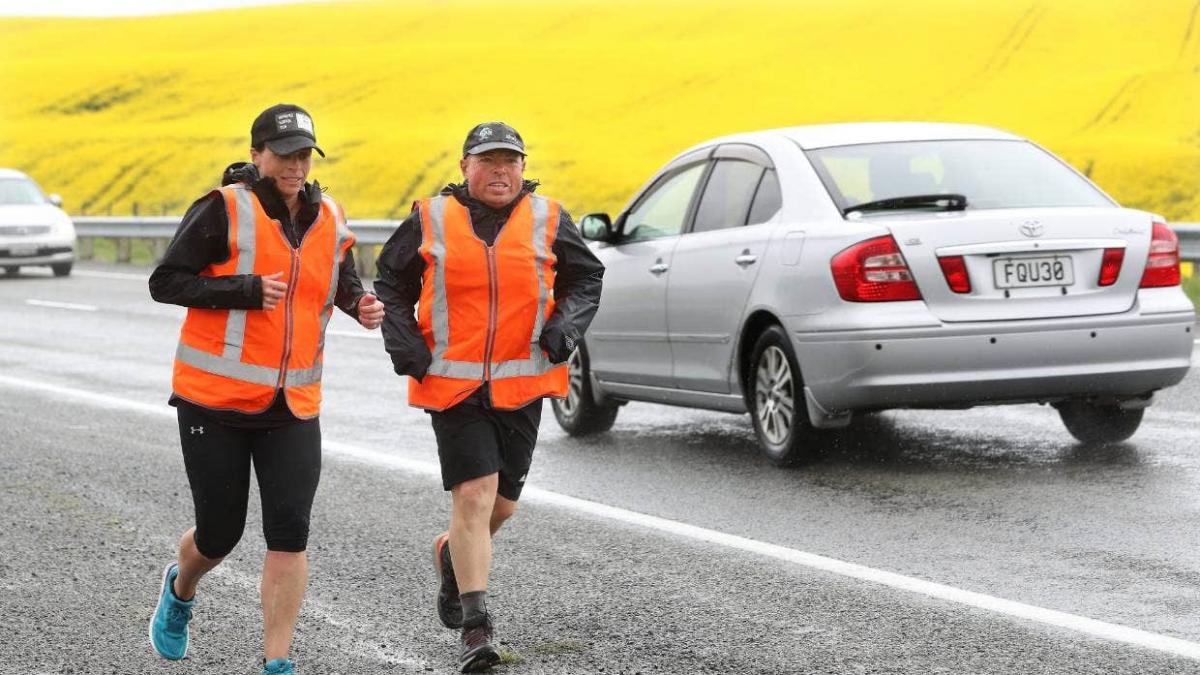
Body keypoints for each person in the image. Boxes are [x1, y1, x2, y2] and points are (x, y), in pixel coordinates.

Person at [147, 103, 384, 675]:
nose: (296, 166)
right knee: (219, 534)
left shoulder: (329, 214)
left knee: (290, 534)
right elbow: (165, 282)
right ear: (257, 155)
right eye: (284, 155)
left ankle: (277, 662)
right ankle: (181, 589)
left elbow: (340, 281)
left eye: (304, 155)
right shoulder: (223, 207)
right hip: (214, 402)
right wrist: (245, 289)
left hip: (293, 404)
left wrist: (360, 304)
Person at [375, 122, 604, 672]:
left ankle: (450, 554)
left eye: (510, 161)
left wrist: (565, 329)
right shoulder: (430, 218)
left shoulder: (550, 218)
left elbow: (586, 278)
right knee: (475, 496)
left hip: (522, 384)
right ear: (465, 167)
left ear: (523, 168)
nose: (500, 171)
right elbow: (391, 284)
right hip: (453, 385)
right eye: (488, 161)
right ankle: (476, 630)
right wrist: (406, 345)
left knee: (502, 506)